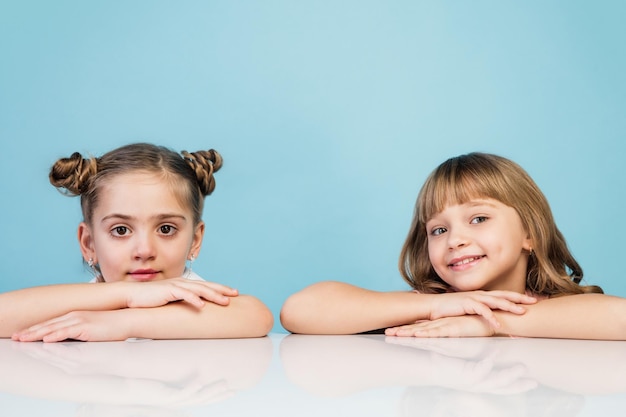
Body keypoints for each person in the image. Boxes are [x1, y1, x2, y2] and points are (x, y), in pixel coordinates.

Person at [280, 152, 626, 339]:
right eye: (438, 229)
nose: (455, 240)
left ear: (529, 234)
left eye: (478, 219)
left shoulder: (562, 311)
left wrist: (492, 323)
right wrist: (437, 308)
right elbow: (300, 310)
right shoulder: (432, 307)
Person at [1, 143, 273, 342]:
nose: (144, 251)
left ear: (195, 240)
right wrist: (129, 295)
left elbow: (257, 315)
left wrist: (124, 322)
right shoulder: (81, 300)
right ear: (89, 244)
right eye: (121, 230)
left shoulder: (193, 297)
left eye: (166, 228)